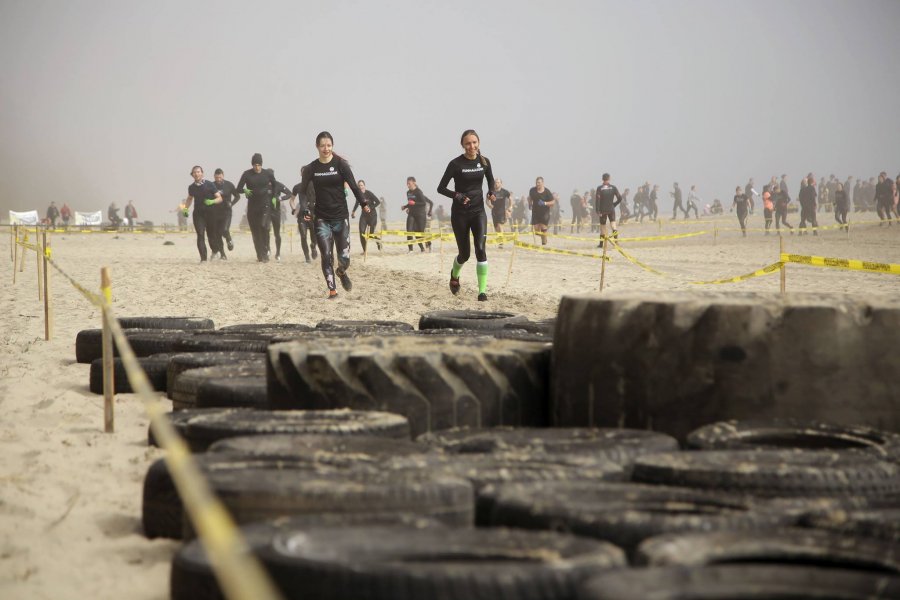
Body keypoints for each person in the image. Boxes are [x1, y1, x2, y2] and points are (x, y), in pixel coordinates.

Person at [296, 131, 369, 298]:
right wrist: (305, 208)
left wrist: (363, 203)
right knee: (326, 255)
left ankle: (341, 272)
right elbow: (302, 193)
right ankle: (332, 290)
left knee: (344, 258)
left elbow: (353, 186)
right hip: (321, 218)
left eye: (328, 145)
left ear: (332, 146)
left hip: (340, 218)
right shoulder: (311, 168)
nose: (326, 148)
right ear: (317, 147)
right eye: (322, 145)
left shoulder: (341, 165)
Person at [437, 128, 496, 301]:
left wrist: (491, 191)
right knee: (465, 254)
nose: (472, 146)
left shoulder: (484, 162)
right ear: (462, 145)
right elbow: (441, 188)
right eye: (468, 143)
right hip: (460, 214)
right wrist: (457, 195)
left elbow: (490, 179)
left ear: (478, 143)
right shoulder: (455, 164)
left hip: (479, 212)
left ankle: (482, 292)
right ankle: (454, 275)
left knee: (481, 250)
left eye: (474, 142)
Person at [235, 153, 278, 261]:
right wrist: (244, 190)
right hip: (252, 207)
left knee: (263, 227)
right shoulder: (246, 174)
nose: (257, 167)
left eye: (258, 165)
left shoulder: (267, 174)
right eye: (255, 165)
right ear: (252, 165)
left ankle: (265, 252)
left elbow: (275, 185)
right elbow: (238, 189)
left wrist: (273, 196)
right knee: (255, 232)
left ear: (261, 164)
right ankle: (260, 254)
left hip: (265, 205)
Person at [182, 165, 224, 261]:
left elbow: (220, 198)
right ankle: (203, 258)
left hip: (210, 214)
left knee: (211, 235)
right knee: (200, 234)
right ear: (192, 175)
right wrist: (185, 209)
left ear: (202, 173)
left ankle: (215, 251)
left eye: (198, 172)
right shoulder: (191, 187)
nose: (196, 174)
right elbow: (189, 199)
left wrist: (212, 201)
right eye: (194, 172)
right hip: (198, 214)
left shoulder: (209, 184)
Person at [287, 166, 318, 263]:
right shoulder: (297, 187)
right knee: (303, 236)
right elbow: (291, 200)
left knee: (314, 236)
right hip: (302, 215)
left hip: (313, 215)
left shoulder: (316, 185)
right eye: (303, 173)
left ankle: (313, 247)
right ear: (301, 174)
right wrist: (293, 209)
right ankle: (307, 257)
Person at [402, 176, 433, 252]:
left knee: (420, 232)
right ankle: (411, 250)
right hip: (411, 214)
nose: (408, 185)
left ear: (414, 183)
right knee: (409, 231)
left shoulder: (419, 192)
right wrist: (406, 206)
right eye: (407, 184)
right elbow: (410, 203)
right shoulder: (408, 192)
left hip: (420, 214)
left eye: (409, 183)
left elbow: (423, 203)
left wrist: (429, 211)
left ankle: (428, 243)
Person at [351, 179, 381, 253]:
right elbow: (357, 203)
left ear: (364, 186)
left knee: (371, 235)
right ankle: (365, 251)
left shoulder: (369, 193)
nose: (360, 187)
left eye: (361, 185)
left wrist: (370, 208)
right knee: (362, 233)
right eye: (359, 186)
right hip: (364, 216)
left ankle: (378, 242)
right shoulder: (358, 195)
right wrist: (353, 211)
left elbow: (378, 202)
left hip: (372, 216)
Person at [213, 168, 239, 254]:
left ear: (223, 176)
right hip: (215, 213)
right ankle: (223, 254)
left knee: (224, 230)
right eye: (217, 178)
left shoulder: (229, 185)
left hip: (226, 212)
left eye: (220, 177)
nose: (218, 180)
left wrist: (232, 203)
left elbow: (237, 196)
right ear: (214, 177)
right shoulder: (211, 185)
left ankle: (229, 239)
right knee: (217, 235)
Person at [594, 173, 622, 247]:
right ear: (609, 179)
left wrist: (597, 210)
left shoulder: (599, 188)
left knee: (603, 227)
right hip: (611, 209)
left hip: (603, 210)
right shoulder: (613, 187)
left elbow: (597, 200)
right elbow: (620, 198)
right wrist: (614, 204)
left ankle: (601, 244)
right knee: (613, 225)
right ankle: (616, 243)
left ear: (602, 179)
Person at [267, 175, 291, 261]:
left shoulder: (278, 185)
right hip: (266, 212)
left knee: (277, 234)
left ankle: (278, 253)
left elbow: (289, 193)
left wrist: (280, 198)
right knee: (266, 230)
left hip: (276, 212)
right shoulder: (263, 184)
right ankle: (268, 249)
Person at [529, 176, 554, 245]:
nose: (537, 184)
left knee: (543, 227)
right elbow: (529, 197)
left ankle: (544, 243)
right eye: (536, 183)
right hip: (535, 212)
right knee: (536, 231)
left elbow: (553, 202)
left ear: (543, 183)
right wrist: (529, 204)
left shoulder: (547, 192)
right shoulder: (532, 190)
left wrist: (545, 203)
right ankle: (544, 236)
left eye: (539, 182)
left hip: (544, 213)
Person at [488, 178, 512, 242]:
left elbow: (510, 198)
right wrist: (489, 205)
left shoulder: (504, 192)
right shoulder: (491, 192)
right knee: (496, 228)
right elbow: (487, 200)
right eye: (495, 182)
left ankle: (501, 242)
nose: (496, 184)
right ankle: (501, 236)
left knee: (499, 225)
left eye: (498, 182)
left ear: (501, 184)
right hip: (494, 212)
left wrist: (510, 206)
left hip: (501, 212)